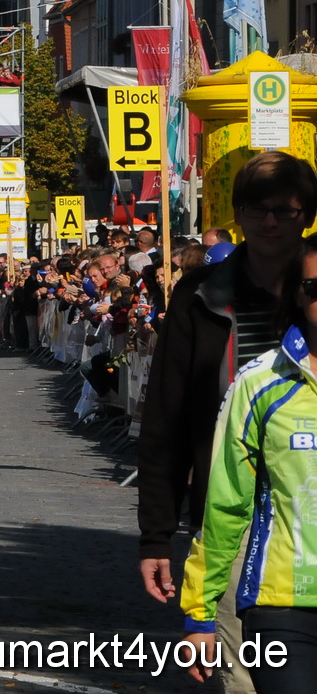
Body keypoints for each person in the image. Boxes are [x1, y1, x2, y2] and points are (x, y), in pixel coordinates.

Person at [139, 150, 317, 689]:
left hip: (305, 502)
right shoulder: (199, 298)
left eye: (284, 211)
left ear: (305, 216)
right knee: (244, 679)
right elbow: (166, 418)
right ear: (237, 215)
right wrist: (155, 536)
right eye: (257, 209)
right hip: (232, 514)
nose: (270, 222)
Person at [178, 234, 317, 692]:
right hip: (283, 605)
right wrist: (199, 614)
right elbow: (225, 504)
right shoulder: (259, 384)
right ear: (299, 294)